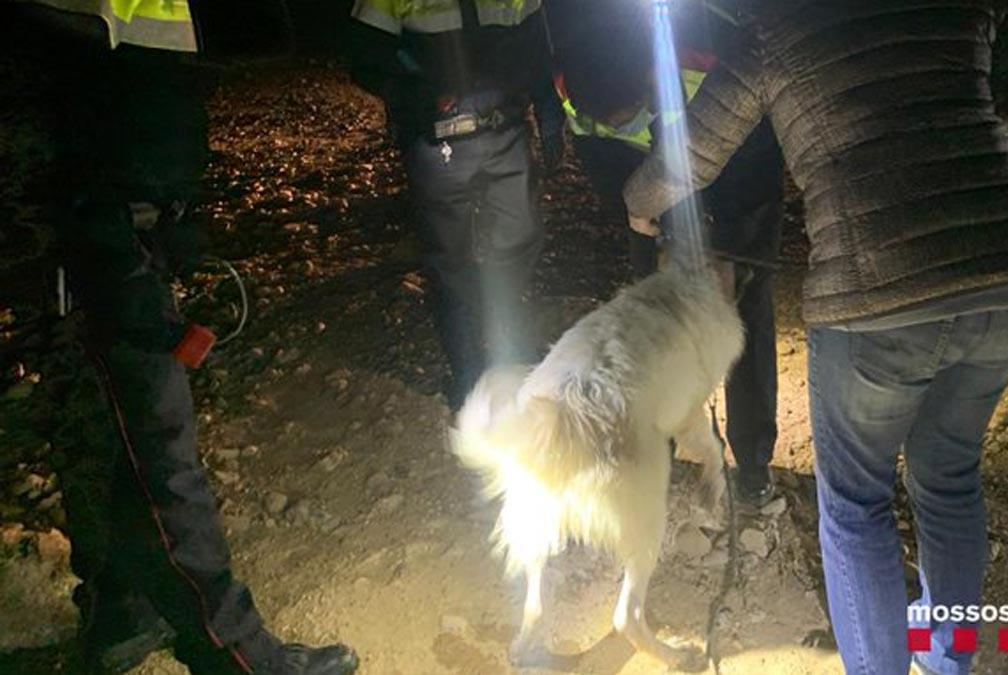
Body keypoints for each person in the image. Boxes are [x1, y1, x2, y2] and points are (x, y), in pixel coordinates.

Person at [621, 1, 1008, 673]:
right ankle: (945, 660)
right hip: (1006, 283)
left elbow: (694, 156)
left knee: (855, 504)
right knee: (951, 475)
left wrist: (638, 203)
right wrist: (1001, 213)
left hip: (876, 296)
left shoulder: (776, 26)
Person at [3, 2, 359, 673]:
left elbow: (238, 40)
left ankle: (126, 610)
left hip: (129, 211)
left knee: (123, 433)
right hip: (102, 220)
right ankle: (235, 651)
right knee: (158, 439)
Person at [552, 1, 786, 506]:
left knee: (742, 316)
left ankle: (752, 463)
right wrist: (643, 212)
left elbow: (757, 143)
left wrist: (721, 242)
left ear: (646, 77)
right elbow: (600, 153)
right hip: (648, 190)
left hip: (741, 180)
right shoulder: (577, 78)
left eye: (627, 110)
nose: (618, 120)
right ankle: (655, 445)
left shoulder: (708, 46)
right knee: (653, 319)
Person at [345, 0, 562, 409]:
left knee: (519, 242)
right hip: (435, 139)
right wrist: (421, 91)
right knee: (451, 259)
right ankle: (467, 373)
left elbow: (536, 45)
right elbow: (364, 57)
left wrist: (549, 110)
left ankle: (510, 353)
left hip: (507, 130)